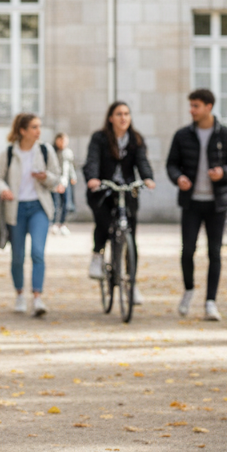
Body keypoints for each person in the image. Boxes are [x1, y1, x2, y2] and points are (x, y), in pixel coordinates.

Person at [165, 89, 227, 322]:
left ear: (209, 107)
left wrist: (224, 172)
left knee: (214, 252)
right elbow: (171, 164)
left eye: (196, 106)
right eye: (191, 105)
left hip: (217, 204)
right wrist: (178, 178)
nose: (191, 110)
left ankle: (211, 302)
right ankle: (189, 290)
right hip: (191, 203)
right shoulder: (182, 135)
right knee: (187, 250)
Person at [0, 114, 64, 316]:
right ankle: (20, 295)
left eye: (39, 126)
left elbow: (56, 178)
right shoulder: (8, 153)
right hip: (16, 209)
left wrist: (45, 177)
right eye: (34, 127)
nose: (38, 131)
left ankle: (38, 298)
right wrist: (4, 189)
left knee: (38, 252)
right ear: (22, 131)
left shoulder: (45, 150)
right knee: (18, 256)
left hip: (39, 207)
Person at [83, 102, 156, 304]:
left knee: (131, 234)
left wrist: (147, 178)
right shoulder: (99, 138)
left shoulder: (136, 139)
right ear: (110, 118)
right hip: (104, 189)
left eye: (126, 114)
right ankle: (97, 256)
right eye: (119, 114)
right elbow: (92, 160)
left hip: (126, 189)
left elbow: (142, 162)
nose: (123, 118)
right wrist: (92, 178)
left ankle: (132, 284)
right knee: (104, 222)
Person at [50, 132, 78, 236]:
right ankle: (54, 223)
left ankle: (62, 224)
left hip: (66, 182)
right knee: (55, 204)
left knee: (66, 204)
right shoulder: (52, 152)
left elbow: (70, 166)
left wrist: (73, 176)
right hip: (55, 182)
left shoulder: (68, 152)